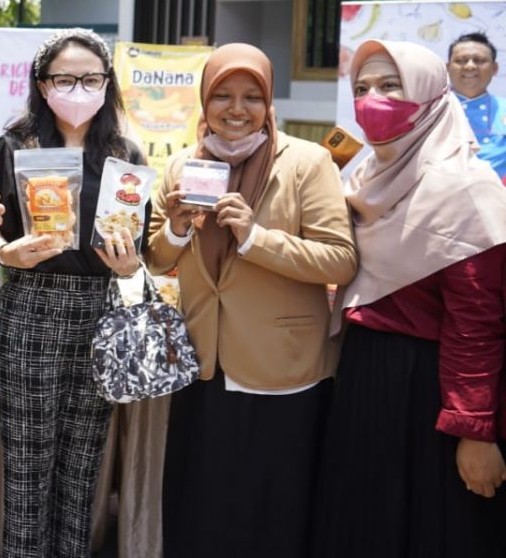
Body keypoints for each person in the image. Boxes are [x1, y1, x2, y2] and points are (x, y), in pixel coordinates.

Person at [147, 43, 357, 558]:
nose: (236, 109)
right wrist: (176, 228)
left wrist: (254, 237)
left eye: (251, 97)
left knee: (270, 512)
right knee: (200, 508)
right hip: (202, 364)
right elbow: (154, 258)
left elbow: (339, 260)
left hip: (281, 371)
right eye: (222, 95)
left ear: (269, 104)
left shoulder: (308, 163)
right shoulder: (181, 166)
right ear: (204, 99)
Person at [313, 40, 506, 557]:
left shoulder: (467, 187)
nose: (372, 99)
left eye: (390, 85)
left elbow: (477, 323)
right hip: (362, 374)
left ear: (428, 94)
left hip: (429, 389)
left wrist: (475, 431)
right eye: (362, 88)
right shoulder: (364, 178)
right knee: (365, 521)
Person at [0, 28, 148, 557]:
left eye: (91, 79)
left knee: (83, 468)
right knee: (27, 465)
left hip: (99, 312)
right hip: (32, 305)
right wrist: (5, 254)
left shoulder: (125, 153)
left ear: (107, 83)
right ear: (42, 83)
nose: (78, 89)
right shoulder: (13, 145)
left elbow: (138, 241)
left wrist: (129, 266)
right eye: (65, 79)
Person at [447, 31, 506, 181]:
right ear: (447, 68)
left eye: (479, 60)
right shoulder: (430, 111)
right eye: (461, 60)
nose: (470, 66)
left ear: (494, 68)